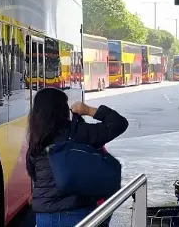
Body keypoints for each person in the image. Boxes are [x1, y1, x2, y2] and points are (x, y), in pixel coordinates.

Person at [26, 88, 129, 226]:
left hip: (45, 218)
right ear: (63, 109)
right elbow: (119, 123)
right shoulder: (78, 132)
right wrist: (88, 110)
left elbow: (33, 172)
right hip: (79, 214)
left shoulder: (36, 140)